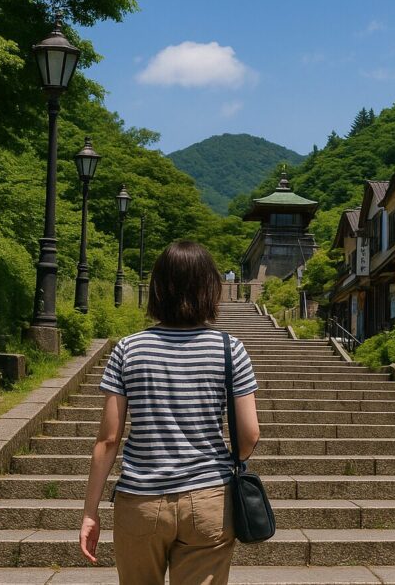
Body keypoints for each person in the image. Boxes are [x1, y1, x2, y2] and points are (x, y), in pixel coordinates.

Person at [80, 239, 261, 585]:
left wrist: (90, 511)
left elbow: (108, 439)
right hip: (209, 498)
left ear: (158, 289)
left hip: (140, 501)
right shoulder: (230, 349)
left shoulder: (128, 349)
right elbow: (250, 434)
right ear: (211, 287)